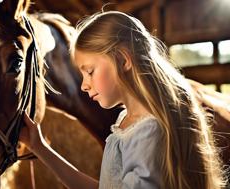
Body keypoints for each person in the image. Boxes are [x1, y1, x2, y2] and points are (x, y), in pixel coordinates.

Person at [19, 11, 227, 189]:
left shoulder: (147, 131)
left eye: (90, 71)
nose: (84, 85)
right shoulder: (127, 121)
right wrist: (39, 147)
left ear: (123, 59)